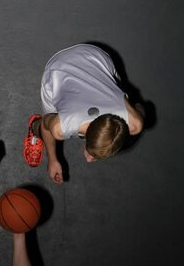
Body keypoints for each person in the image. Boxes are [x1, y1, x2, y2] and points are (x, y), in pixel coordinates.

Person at [24, 43, 145, 184]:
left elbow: (140, 107)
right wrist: (52, 159)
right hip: (58, 68)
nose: (88, 159)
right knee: (45, 124)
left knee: (118, 85)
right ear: (87, 132)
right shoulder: (62, 126)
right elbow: (46, 125)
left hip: (95, 55)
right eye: (92, 156)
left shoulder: (135, 124)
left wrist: (130, 107)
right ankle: (33, 127)